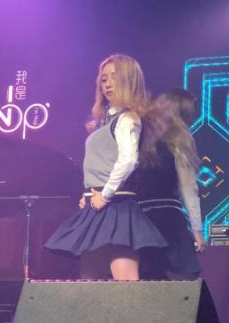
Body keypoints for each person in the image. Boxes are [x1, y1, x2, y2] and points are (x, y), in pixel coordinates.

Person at [45, 54, 166, 280]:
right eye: (104, 79)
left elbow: (128, 160)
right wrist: (87, 195)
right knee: (89, 280)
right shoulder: (103, 121)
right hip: (98, 203)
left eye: (114, 77)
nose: (108, 84)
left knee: (124, 283)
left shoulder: (127, 118)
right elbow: (98, 163)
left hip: (117, 204)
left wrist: (106, 194)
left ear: (129, 81)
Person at [136, 88, 207, 280]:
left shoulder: (139, 133)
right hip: (168, 218)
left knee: (147, 277)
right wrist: (197, 230)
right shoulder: (180, 138)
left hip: (139, 217)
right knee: (184, 282)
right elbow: (188, 188)